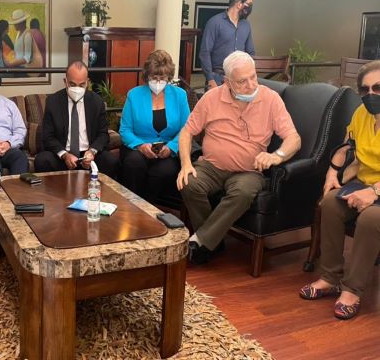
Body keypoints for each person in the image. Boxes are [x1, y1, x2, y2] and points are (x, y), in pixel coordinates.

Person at [177, 51, 301, 264]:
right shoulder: (211, 98)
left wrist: (276, 155)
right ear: (227, 82)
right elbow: (187, 132)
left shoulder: (270, 99)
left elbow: (294, 138)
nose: (251, 85)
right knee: (189, 182)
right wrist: (186, 164)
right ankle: (212, 242)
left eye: (253, 77)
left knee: (243, 191)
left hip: (249, 170)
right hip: (212, 166)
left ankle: (201, 242)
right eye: (242, 81)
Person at [299, 60, 380, 320]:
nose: (371, 95)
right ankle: (330, 277)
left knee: (370, 217)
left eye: (377, 88)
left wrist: (374, 193)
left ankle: (353, 289)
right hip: (365, 182)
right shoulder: (362, 114)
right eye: (365, 90)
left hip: (376, 191)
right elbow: (347, 148)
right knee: (331, 202)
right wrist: (332, 174)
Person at [119, 50, 190, 202]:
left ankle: (148, 211)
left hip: (168, 151)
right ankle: (131, 208)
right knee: (134, 164)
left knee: (162, 171)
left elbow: (186, 129)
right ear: (147, 76)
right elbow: (125, 130)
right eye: (153, 78)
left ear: (169, 77)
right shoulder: (134, 94)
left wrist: (171, 147)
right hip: (137, 148)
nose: (157, 82)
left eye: (162, 78)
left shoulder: (180, 95)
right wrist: (140, 145)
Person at [34, 61, 119, 179]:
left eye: (81, 85)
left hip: (88, 156)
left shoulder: (97, 102)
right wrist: (65, 155)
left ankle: (100, 195)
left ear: (87, 83)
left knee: (110, 160)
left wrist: (92, 152)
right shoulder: (53, 102)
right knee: (42, 160)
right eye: (73, 84)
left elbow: (103, 134)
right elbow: (48, 137)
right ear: (65, 82)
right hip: (63, 157)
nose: (77, 89)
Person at [199, 0, 255, 91]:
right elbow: (205, 52)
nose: (251, 7)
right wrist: (210, 79)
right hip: (217, 78)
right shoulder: (215, 22)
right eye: (249, 4)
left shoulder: (246, 25)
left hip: (239, 78)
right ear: (239, 4)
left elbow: (250, 52)